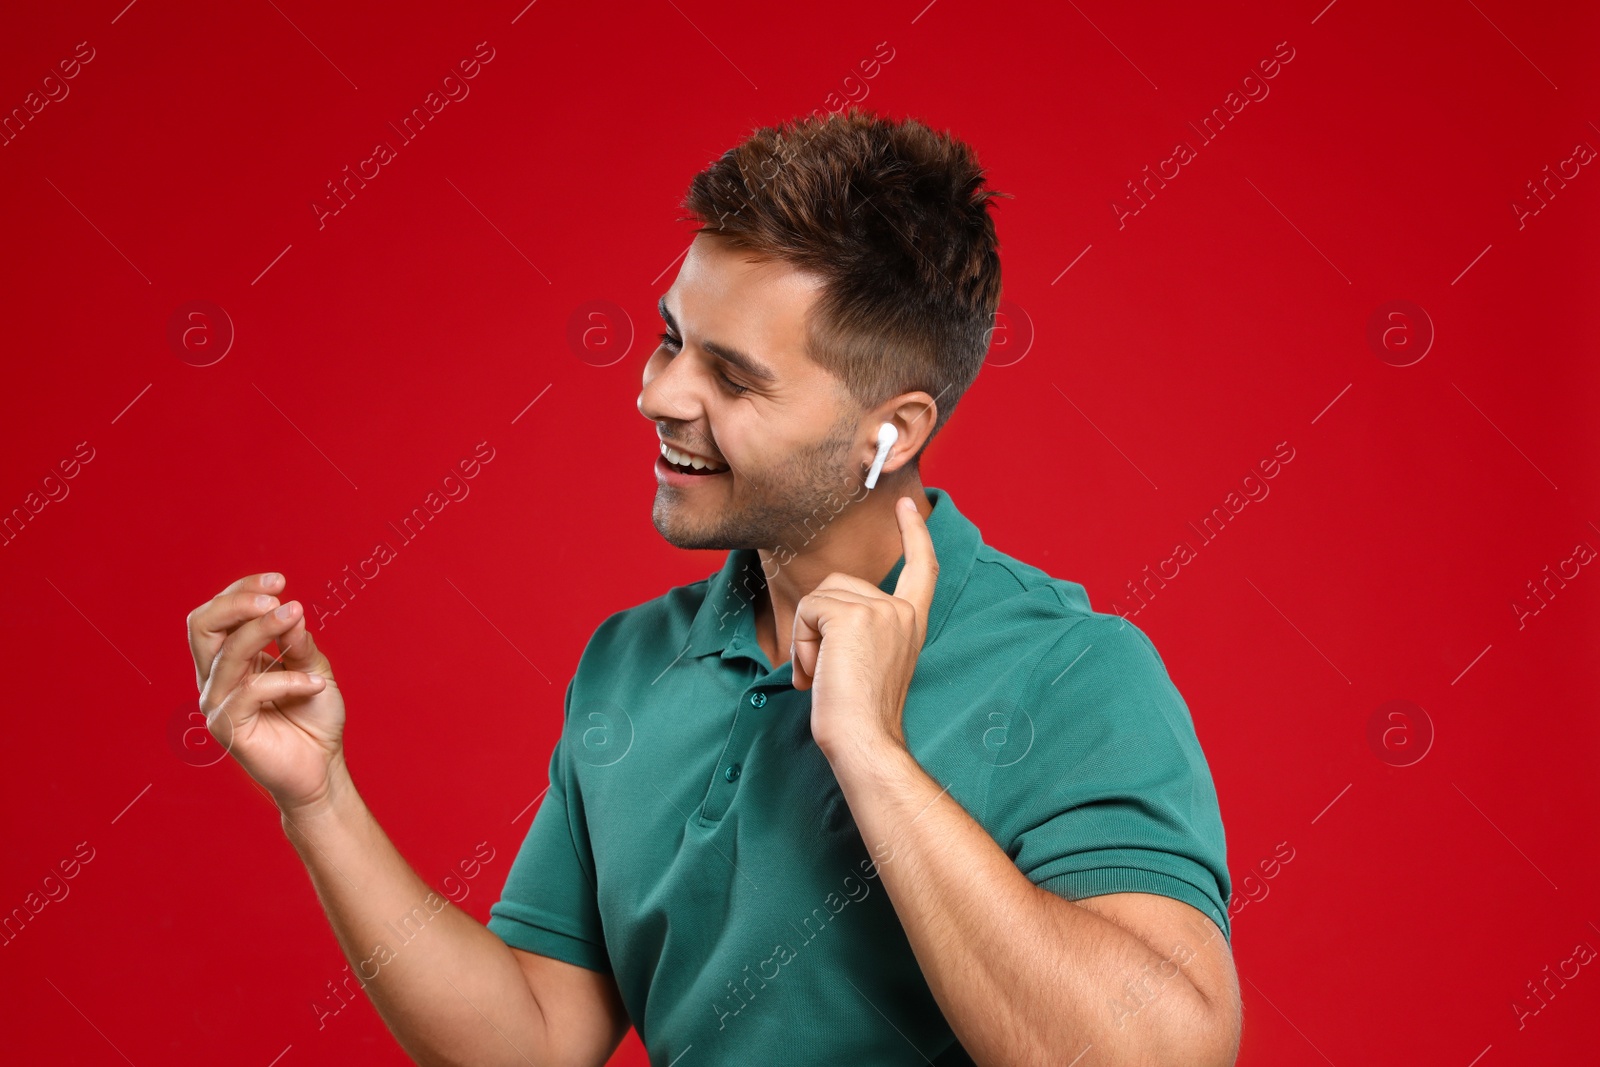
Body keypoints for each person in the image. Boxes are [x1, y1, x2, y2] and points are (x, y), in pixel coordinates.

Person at [185, 107, 1241, 1066]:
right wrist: (320, 801)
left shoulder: (1072, 670)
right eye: (670, 340)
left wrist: (871, 753)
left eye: (733, 378)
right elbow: (535, 1038)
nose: (655, 393)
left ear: (893, 432)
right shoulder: (631, 664)